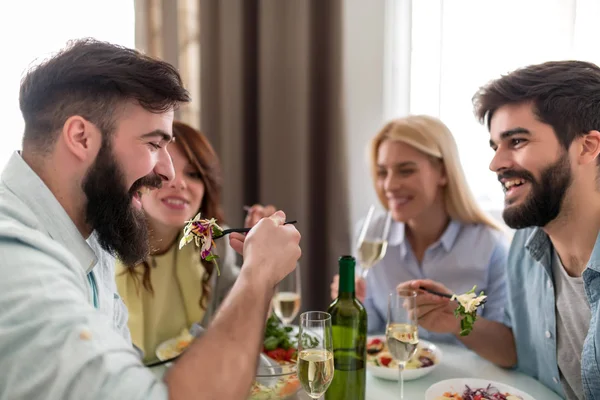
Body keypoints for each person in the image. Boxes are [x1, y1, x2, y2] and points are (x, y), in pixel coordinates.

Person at [0, 38, 301, 400]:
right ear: (81, 137)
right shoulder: (19, 267)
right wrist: (260, 271)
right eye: (154, 144)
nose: (167, 170)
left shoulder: (94, 234)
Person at [401, 60, 600, 400]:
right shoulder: (526, 242)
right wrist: (457, 319)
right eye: (495, 146)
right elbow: (516, 350)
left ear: (587, 147)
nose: (496, 164)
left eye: (517, 141)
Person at [330, 115, 509, 345]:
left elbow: (506, 347)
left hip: (463, 379)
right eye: (383, 172)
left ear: (443, 173)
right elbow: (373, 328)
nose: (389, 185)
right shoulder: (372, 234)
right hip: (397, 372)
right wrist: (355, 303)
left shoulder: (490, 245)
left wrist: (460, 320)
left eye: (406, 171)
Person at [115, 120, 278, 363]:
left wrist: (262, 263)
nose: (179, 182)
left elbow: (245, 330)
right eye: (162, 170)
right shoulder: (103, 249)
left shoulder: (215, 245)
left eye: (193, 174)